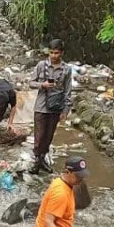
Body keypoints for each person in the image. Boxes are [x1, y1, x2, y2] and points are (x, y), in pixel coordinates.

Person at [28, 39, 73, 174]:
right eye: (51, 53)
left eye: (56, 53)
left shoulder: (66, 70)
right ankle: (37, 160)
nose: (53, 56)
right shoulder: (41, 65)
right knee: (39, 135)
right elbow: (30, 82)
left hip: (56, 107)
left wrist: (66, 110)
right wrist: (42, 85)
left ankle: (42, 159)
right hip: (41, 106)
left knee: (48, 136)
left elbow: (68, 90)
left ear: (62, 53)